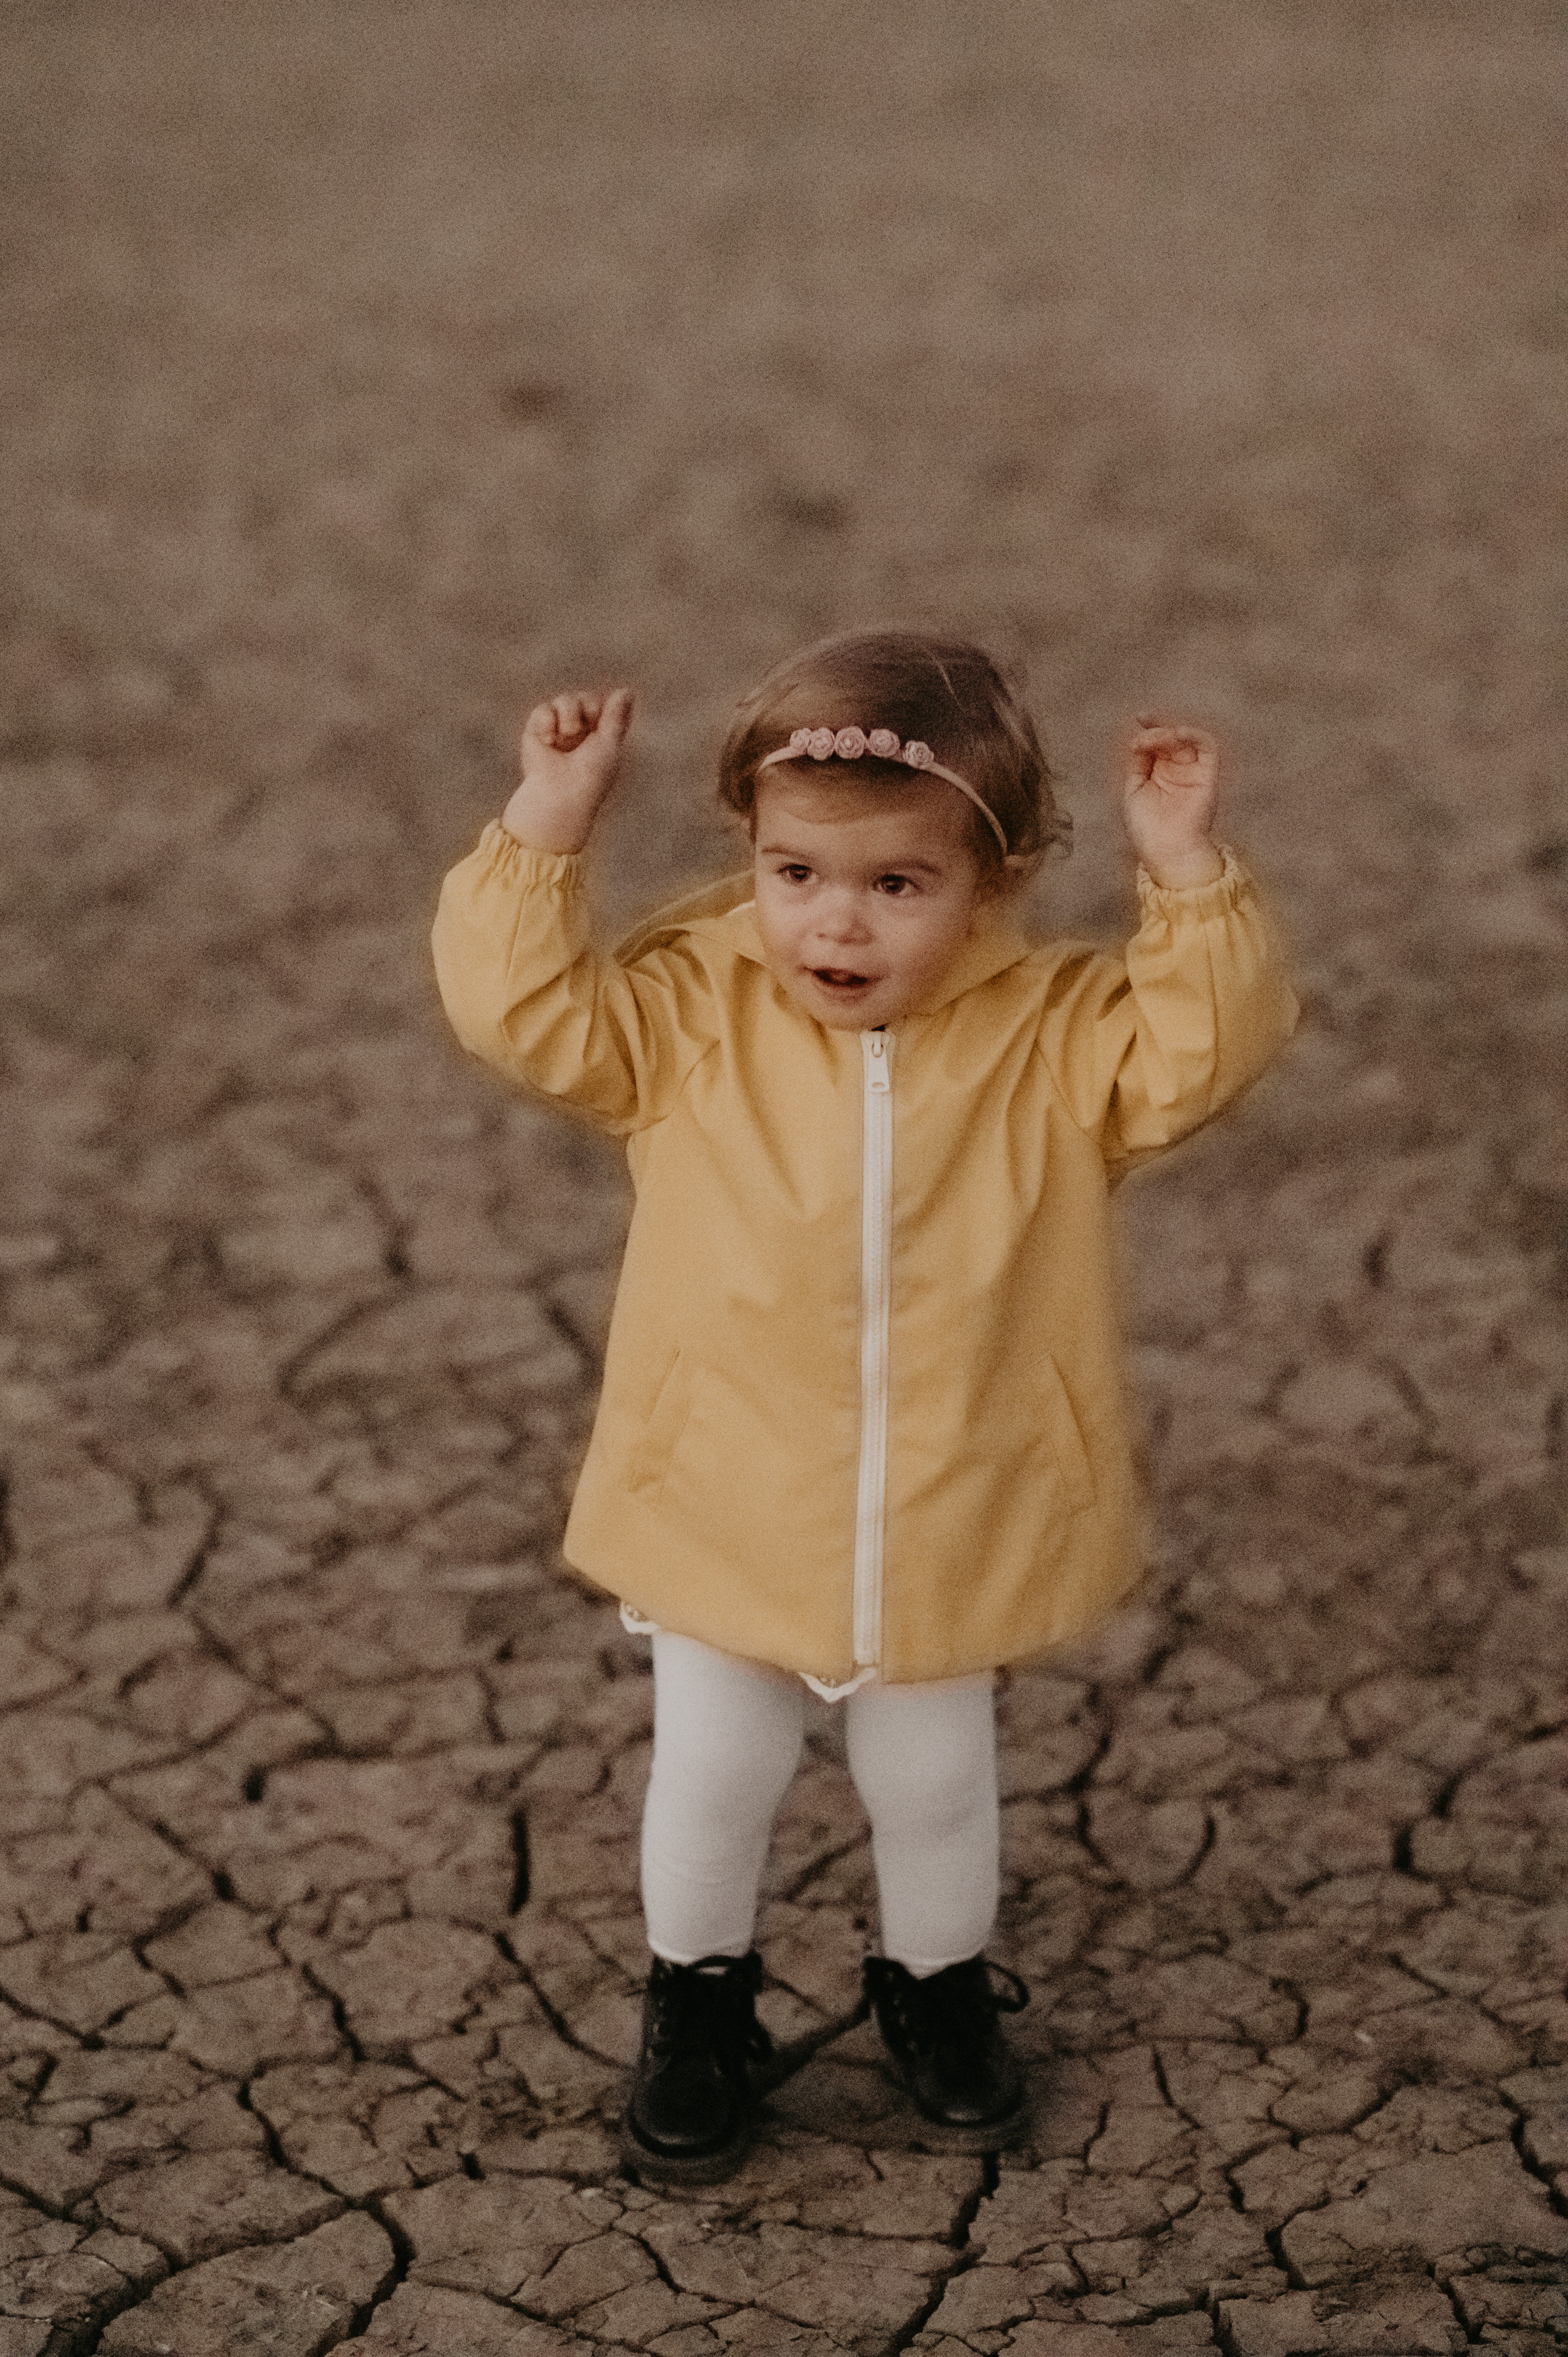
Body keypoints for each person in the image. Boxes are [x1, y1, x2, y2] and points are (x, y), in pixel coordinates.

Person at [432, 628, 1296, 2181]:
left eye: (896, 884)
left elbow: (1201, 1048)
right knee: (717, 1764)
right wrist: (546, 824)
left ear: (995, 876)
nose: (835, 921)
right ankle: (698, 2003)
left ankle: (937, 1993)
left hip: (956, 1493)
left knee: (933, 1775)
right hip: (725, 1491)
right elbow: (524, 1014)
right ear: (750, 862)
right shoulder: (689, 1012)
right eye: (794, 873)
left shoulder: (1052, 1034)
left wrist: (1185, 874)